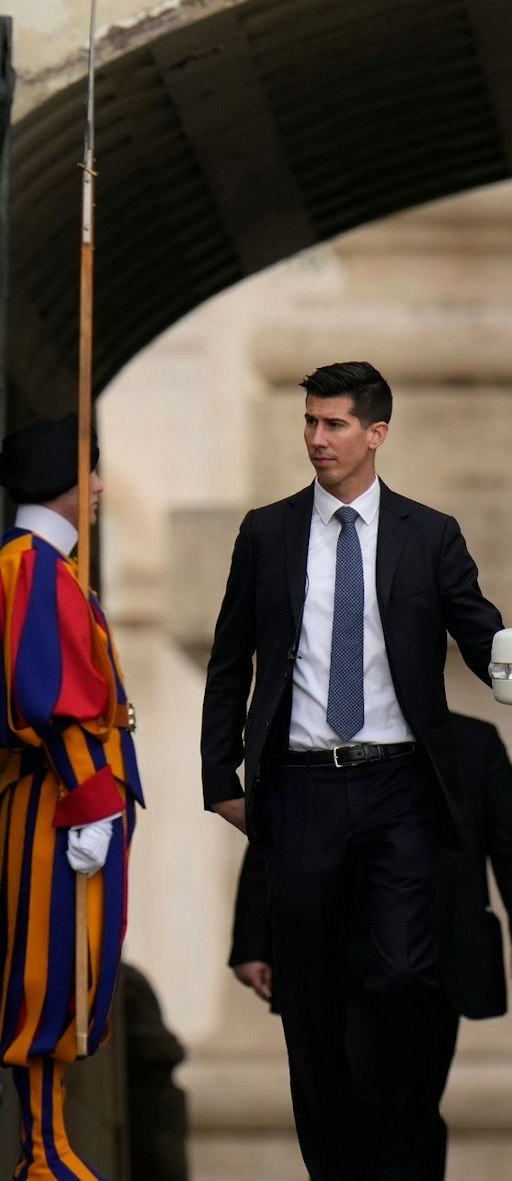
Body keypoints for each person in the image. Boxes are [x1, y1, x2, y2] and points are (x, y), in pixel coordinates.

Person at [199, 361, 512, 1181]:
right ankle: (338, 1166)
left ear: (376, 432)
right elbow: (230, 660)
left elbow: (485, 641)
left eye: (334, 424)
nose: (316, 438)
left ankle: (399, 1129)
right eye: (309, 422)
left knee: (408, 969)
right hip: (302, 783)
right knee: (306, 1005)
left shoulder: (430, 533)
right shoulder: (267, 532)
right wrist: (221, 779)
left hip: (399, 783)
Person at [228, 712, 512, 1181]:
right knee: (350, 1101)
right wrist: (253, 941)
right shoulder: (323, 739)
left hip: (439, 959)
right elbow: (277, 836)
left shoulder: (475, 741)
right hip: (338, 955)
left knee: (415, 1102)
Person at [0, 415, 142, 1181]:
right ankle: (42, 1151)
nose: (95, 487)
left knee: (73, 967)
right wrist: (92, 799)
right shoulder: (36, 569)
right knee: (48, 972)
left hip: (72, 795)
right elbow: (49, 696)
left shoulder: (48, 567)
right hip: (58, 798)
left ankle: (49, 1145)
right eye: (85, 470)